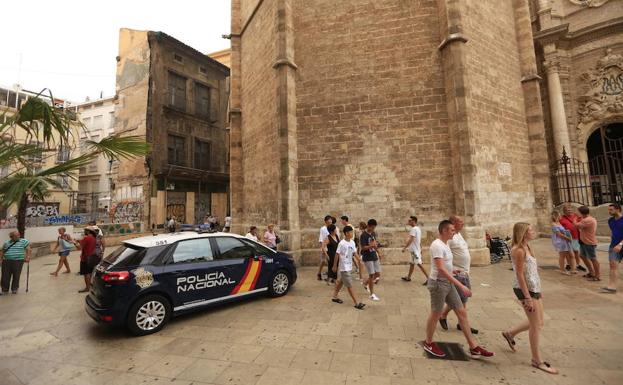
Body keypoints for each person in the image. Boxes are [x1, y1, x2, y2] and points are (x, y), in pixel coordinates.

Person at [421, 220, 493, 359]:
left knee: (461, 312)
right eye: (452, 230)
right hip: (438, 284)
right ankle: (428, 343)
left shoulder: (445, 244)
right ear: (444, 231)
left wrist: (454, 271)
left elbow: (445, 266)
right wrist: (461, 285)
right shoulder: (436, 245)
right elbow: (440, 269)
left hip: (447, 282)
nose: (454, 232)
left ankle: (474, 347)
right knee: (435, 314)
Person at [502, 222, 558, 374]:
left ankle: (510, 333)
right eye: (530, 230)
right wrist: (527, 297)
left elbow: (531, 271)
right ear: (523, 233)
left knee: (540, 321)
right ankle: (536, 360)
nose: (533, 231)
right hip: (524, 290)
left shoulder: (527, 247)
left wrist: (538, 290)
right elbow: (519, 275)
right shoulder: (518, 250)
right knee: (536, 326)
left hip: (533, 288)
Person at [438, 215, 478, 334]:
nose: (463, 223)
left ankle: (443, 315)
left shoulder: (458, 235)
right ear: (453, 223)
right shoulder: (449, 238)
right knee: (461, 301)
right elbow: (444, 255)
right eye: (460, 221)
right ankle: (463, 324)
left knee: (461, 300)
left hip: (464, 272)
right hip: (457, 273)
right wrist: (449, 270)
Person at [331, 225, 365, 310]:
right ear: (346, 233)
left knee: (341, 282)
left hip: (349, 266)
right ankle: (356, 303)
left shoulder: (352, 242)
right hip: (344, 267)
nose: (352, 233)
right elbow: (337, 254)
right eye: (351, 232)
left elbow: (354, 253)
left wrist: (359, 260)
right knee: (349, 285)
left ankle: (334, 296)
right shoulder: (342, 243)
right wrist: (334, 265)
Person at [401, 216, 428, 285]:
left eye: (410, 220)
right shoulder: (418, 228)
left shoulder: (413, 229)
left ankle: (430, 279)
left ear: (413, 221)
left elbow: (411, 239)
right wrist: (420, 248)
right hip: (414, 250)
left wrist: (404, 247)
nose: (408, 222)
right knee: (412, 263)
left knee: (419, 264)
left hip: (414, 251)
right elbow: (418, 240)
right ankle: (408, 277)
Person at [574, 206, 600, 281]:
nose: (576, 213)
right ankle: (591, 272)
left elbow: (576, 225)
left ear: (581, 212)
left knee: (593, 258)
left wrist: (575, 219)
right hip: (584, 241)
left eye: (578, 211)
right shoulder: (585, 219)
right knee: (582, 256)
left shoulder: (588, 220)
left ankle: (597, 275)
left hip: (589, 242)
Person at [602, 203, 623, 293]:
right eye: (609, 210)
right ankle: (612, 287)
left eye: (611, 210)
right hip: (614, 246)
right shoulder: (610, 220)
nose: (609, 211)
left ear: (618, 209)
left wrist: (620, 244)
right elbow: (614, 232)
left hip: (620, 245)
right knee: (613, 265)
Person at [560, 205, 587, 272]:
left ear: (572, 210)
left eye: (570, 209)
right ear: (564, 211)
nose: (569, 210)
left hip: (576, 237)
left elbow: (582, 223)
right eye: (567, 209)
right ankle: (569, 264)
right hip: (566, 238)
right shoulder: (561, 218)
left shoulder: (577, 216)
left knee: (576, 251)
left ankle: (578, 264)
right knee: (568, 252)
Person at [360, 219, 382, 301]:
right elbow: (363, 247)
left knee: (377, 273)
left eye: (374, 228)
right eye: (372, 227)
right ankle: (372, 294)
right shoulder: (363, 235)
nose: (373, 229)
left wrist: (378, 252)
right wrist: (370, 246)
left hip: (374, 256)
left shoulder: (372, 233)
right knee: (371, 275)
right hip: (367, 257)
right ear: (368, 226)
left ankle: (366, 284)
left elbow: (374, 244)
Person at [73, 227, 97, 293]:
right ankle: (90, 286)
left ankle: (87, 288)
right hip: (92, 257)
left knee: (86, 274)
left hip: (85, 258)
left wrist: (74, 243)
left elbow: (79, 247)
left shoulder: (86, 238)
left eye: (85, 230)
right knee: (90, 272)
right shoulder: (94, 238)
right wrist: (78, 241)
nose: (84, 231)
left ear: (88, 232)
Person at [551, 211, 575, 275]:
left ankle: (572, 269)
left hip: (565, 240)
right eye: (559, 215)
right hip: (560, 241)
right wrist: (567, 238)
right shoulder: (554, 224)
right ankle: (562, 269)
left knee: (569, 254)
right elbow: (558, 234)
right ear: (556, 216)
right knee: (562, 256)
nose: (560, 216)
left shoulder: (558, 223)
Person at [317, 215, 333, 280]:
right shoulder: (323, 229)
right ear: (326, 222)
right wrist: (322, 248)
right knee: (323, 261)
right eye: (329, 222)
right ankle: (319, 273)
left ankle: (330, 276)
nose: (330, 223)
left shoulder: (332, 228)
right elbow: (321, 239)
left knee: (330, 261)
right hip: (325, 247)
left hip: (331, 247)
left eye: (331, 222)